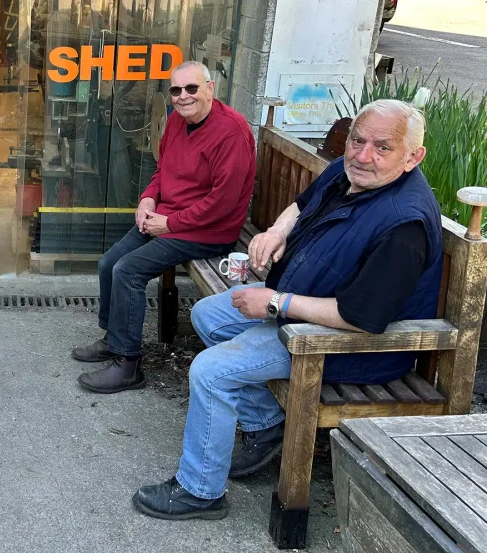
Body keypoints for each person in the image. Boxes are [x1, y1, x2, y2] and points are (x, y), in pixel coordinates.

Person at [131, 99, 442, 521]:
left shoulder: (404, 224)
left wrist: (276, 303)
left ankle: (200, 491)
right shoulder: (348, 171)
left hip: (347, 345)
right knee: (207, 315)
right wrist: (276, 232)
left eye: (382, 147)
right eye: (357, 140)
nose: (363, 155)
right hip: (301, 299)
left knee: (211, 371)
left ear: (413, 157)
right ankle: (266, 424)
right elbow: (300, 205)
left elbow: (360, 318)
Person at [71, 61, 257, 393]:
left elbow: (223, 203)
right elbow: (162, 172)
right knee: (109, 263)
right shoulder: (175, 121)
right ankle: (114, 339)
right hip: (169, 218)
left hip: (209, 231)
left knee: (129, 271)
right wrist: (147, 199)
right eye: (176, 90)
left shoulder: (232, 131)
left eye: (191, 88)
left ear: (210, 89)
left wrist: (170, 223)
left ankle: (128, 366)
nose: (183, 96)